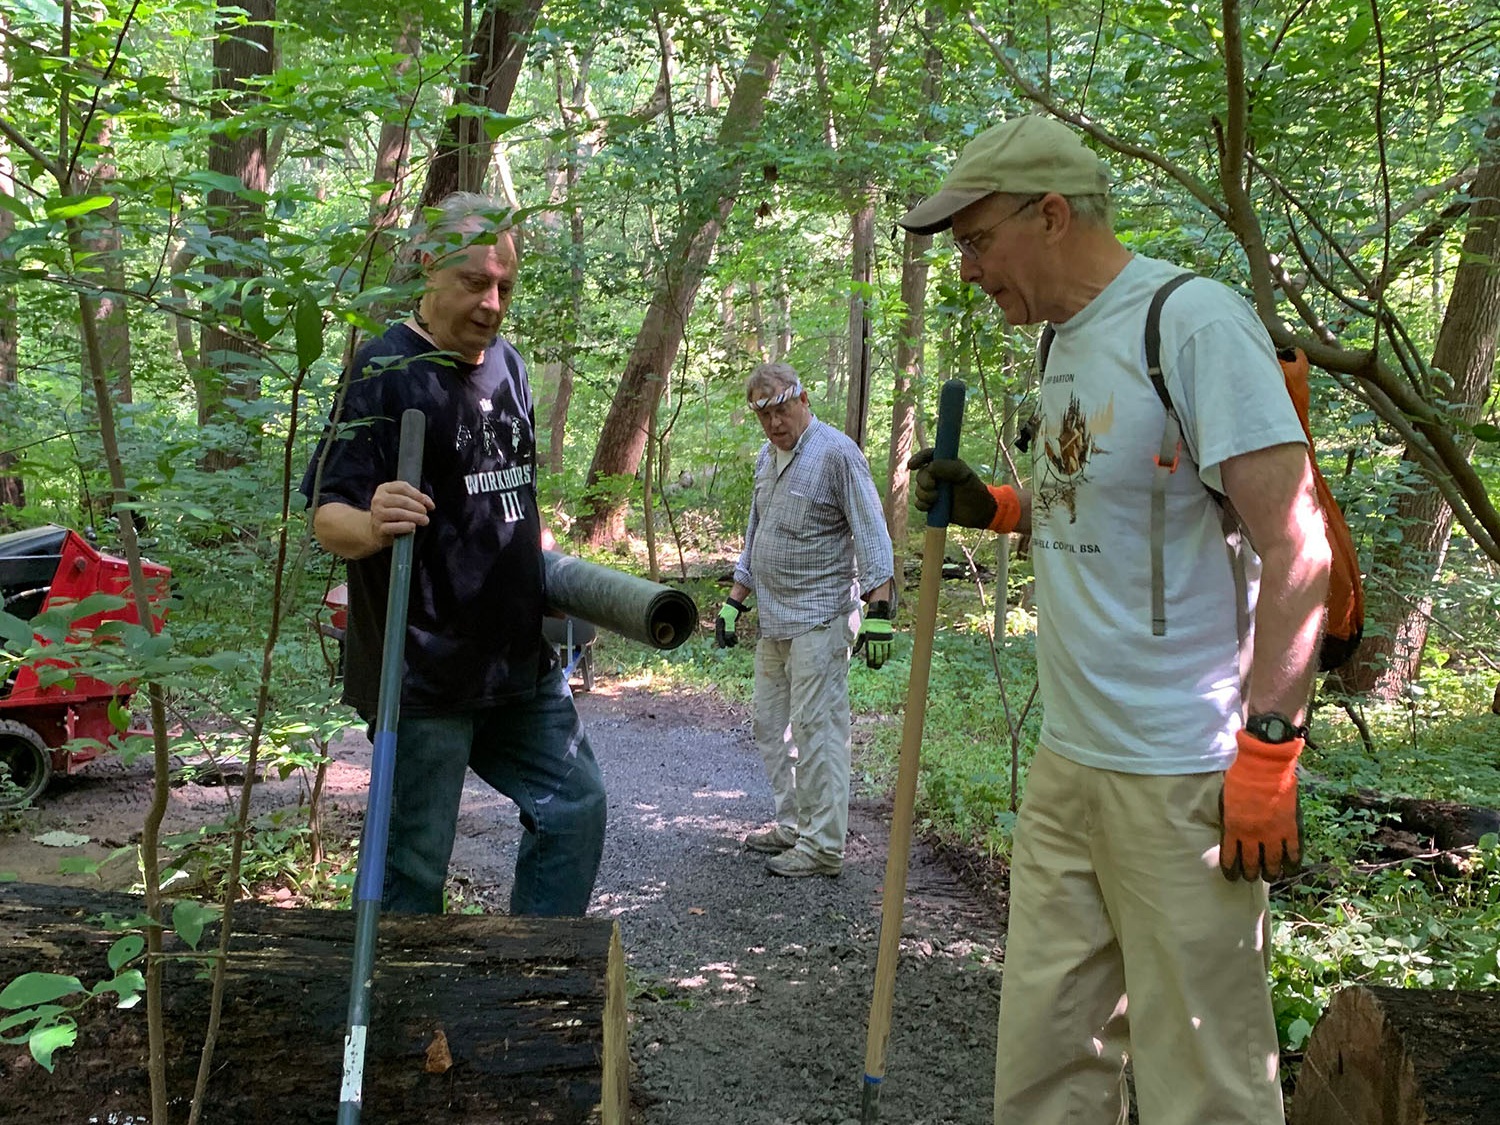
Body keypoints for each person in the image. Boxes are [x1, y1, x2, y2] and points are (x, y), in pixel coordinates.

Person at [899, 116, 1332, 1124]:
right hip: (1070, 761)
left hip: (1181, 772)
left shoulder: (1192, 323)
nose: (968, 271)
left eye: (975, 240)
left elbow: (1295, 546)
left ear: (1050, 216)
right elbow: (1098, 502)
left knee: (1206, 1078)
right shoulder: (1060, 338)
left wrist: (1270, 754)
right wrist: (995, 508)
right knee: (1047, 1056)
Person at [302, 192, 606, 917]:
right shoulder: (384, 368)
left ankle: (527, 980)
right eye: (475, 281)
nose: (493, 302)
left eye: (505, 285)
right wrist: (372, 522)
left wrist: (538, 557)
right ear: (424, 268)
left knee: (575, 808)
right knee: (411, 867)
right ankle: (398, 1015)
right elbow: (327, 518)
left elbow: (505, 496)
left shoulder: (510, 367)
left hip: (519, 664)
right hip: (423, 673)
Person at [715, 362, 897, 878]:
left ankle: (823, 846)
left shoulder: (837, 453)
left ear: (803, 399)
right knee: (771, 725)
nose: (774, 422)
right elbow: (757, 536)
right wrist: (735, 599)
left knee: (818, 731)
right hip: (773, 621)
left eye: (780, 409)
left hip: (821, 617)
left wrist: (880, 609)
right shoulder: (766, 460)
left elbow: (871, 531)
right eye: (763, 415)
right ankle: (794, 824)